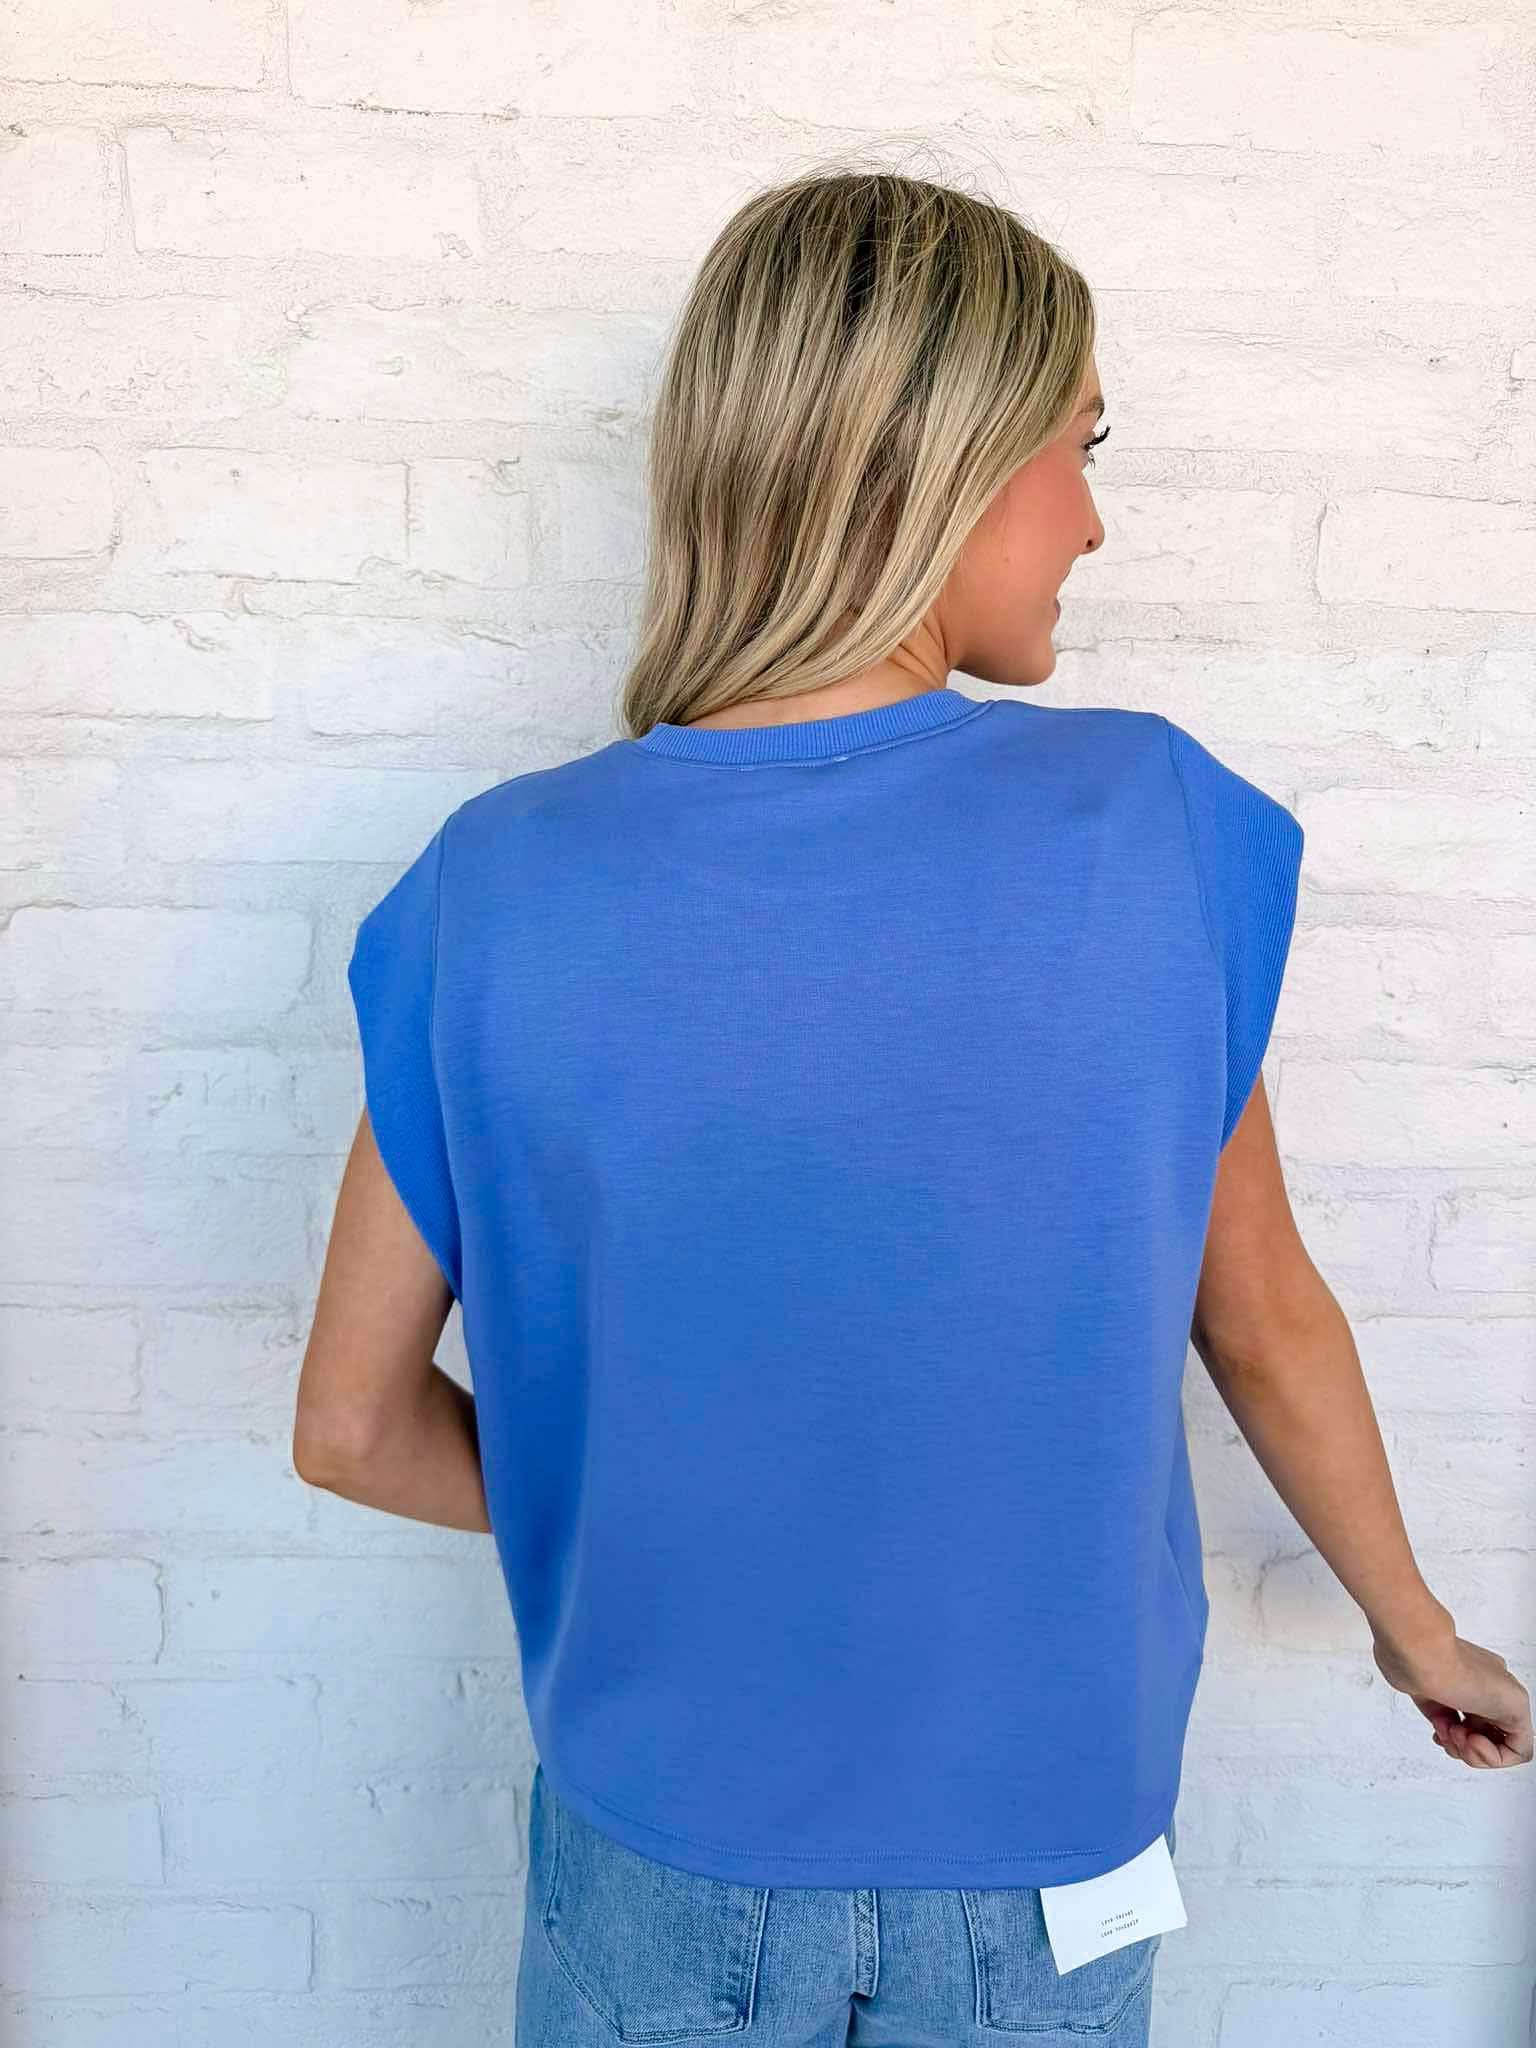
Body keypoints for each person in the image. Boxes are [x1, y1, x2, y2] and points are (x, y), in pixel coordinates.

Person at [293, 166, 1532, 2045]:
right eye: (1077, 450)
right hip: (1042, 1872)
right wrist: (1417, 1632)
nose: (1094, 521)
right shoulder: (1149, 833)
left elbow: (350, 1425)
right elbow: (1266, 1319)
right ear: (935, 466)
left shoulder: (494, 886)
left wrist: (650, 1516)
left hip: (660, 1861)